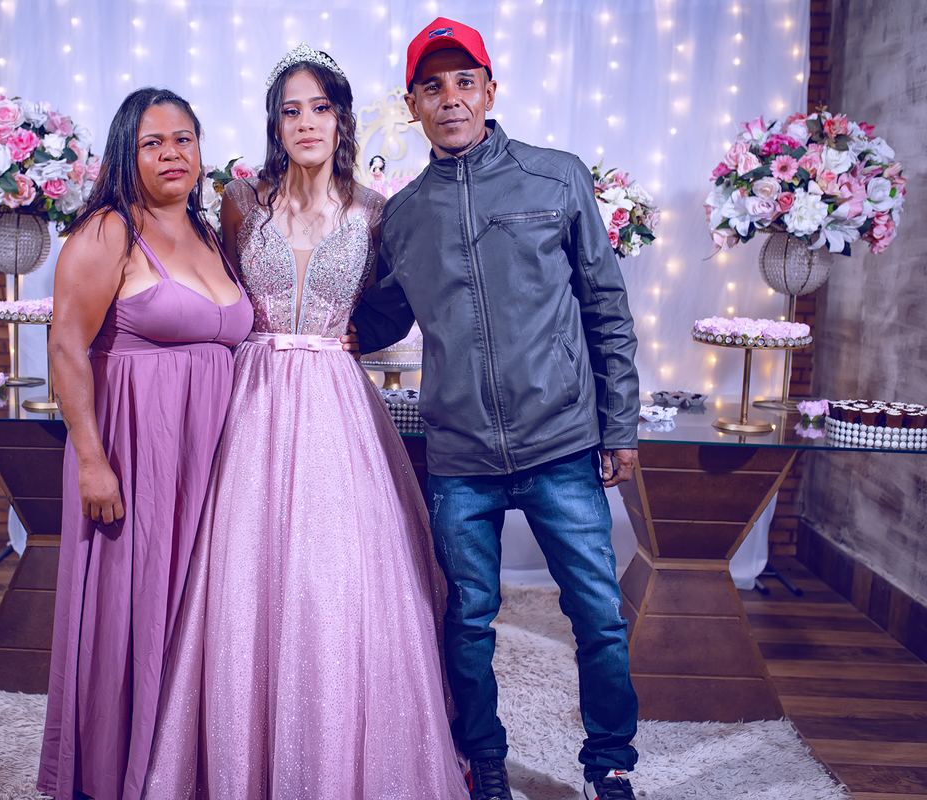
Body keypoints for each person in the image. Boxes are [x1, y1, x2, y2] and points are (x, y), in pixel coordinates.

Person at [144, 44, 469, 799]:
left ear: (342, 119)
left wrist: (366, 334)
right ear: (275, 124)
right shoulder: (240, 201)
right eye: (291, 111)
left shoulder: (377, 211)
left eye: (320, 108)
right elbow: (210, 288)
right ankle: (240, 750)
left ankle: (340, 750)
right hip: (251, 400)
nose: (306, 123)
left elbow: (398, 302)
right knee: (242, 572)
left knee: (337, 577)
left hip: (333, 401)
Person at [351, 18, 642, 800]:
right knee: (466, 622)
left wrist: (619, 425)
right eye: (432, 87)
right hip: (460, 456)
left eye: (464, 81)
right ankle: (482, 762)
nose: (450, 98)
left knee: (599, 616)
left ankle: (610, 764)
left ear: (489, 90)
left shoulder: (556, 177)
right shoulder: (404, 215)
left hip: (562, 443)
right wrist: (298, 317)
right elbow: (380, 319)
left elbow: (605, 307)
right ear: (412, 106)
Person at [37, 87, 253, 800]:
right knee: (130, 608)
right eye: (152, 143)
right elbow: (67, 348)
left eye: (183, 139)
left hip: (211, 456)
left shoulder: (210, 233)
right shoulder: (108, 232)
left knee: (196, 608)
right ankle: (114, 775)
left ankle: (186, 767)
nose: (171, 154)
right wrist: (92, 462)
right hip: (135, 451)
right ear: (125, 153)